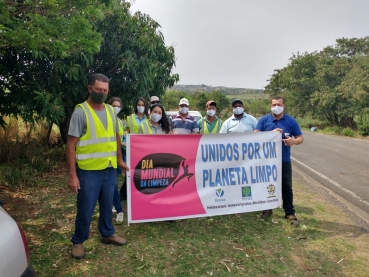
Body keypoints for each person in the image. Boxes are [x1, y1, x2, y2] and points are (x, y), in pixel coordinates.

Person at [66, 73, 129, 259]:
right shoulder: (81, 112)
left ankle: (107, 233)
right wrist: (72, 175)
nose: (102, 93)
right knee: (85, 208)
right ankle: (78, 240)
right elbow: (70, 145)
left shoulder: (111, 111)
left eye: (105, 90)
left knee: (108, 204)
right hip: (88, 171)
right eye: (98, 90)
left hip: (109, 169)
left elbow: (116, 137)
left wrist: (119, 160)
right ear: (89, 89)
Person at [255, 96, 304, 227]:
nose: (276, 107)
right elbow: (255, 135)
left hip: (284, 160)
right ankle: (267, 209)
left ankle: (289, 212)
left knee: (286, 187)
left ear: (284, 106)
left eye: (279, 104)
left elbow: (300, 138)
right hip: (267, 161)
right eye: (274, 104)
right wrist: (271, 133)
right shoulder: (264, 120)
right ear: (270, 106)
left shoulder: (291, 121)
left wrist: (293, 141)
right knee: (267, 184)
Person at [107, 97, 125, 223]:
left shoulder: (118, 121)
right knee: (113, 185)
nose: (116, 108)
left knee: (115, 184)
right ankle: (119, 209)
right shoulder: (105, 120)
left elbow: (120, 139)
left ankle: (116, 207)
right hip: (107, 158)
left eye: (118, 106)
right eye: (114, 105)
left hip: (118, 156)